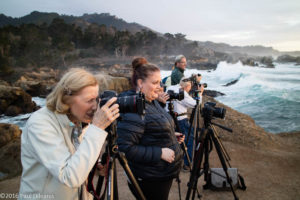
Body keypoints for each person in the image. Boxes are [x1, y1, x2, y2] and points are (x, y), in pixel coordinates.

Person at [18, 68, 120, 200]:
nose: (95, 107)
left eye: (96, 99)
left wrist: (95, 165)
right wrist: (98, 128)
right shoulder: (39, 124)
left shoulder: (79, 120)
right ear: (66, 99)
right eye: (89, 100)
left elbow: (75, 158)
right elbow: (70, 176)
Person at [117, 58, 184, 200]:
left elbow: (151, 127)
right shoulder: (134, 108)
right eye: (155, 83)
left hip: (160, 173)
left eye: (160, 82)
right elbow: (125, 148)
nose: (160, 87)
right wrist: (159, 152)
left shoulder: (151, 101)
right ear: (140, 83)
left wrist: (170, 134)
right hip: (150, 177)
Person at [166, 76, 204, 171]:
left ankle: (173, 162)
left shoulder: (170, 88)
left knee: (175, 141)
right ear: (186, 87)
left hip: (169, 119)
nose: (190, 89)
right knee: (190, 140)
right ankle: (187, 165)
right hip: (180, 120)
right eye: (190, 87)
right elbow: (196, 103)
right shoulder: (182, 92)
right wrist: (200, 93)